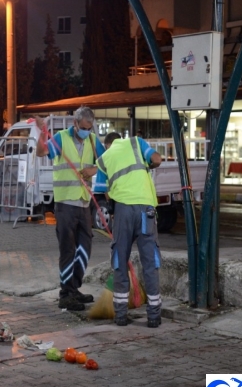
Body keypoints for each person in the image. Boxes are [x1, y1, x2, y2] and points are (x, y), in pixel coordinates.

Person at [35, 107, 105, 311]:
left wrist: (94, 169)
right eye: (84, 128)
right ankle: (65, 294)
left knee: (84, 249)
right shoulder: (61, 138)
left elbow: (105, 161)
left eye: (90, 128)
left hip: (84, 203)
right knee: (68, 250)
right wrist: (42, 132)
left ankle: (74, 288)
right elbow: (41, 152)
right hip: (65, 204)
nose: (87, 131)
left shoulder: (92, 140)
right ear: (75, 123)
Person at [96, 133, 163, 328]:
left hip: (123, 211)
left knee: (119, 260)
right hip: (145, 210)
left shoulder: (105, 158)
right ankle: (153, 316)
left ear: (108, 145)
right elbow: (157, 159)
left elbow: (103, 193)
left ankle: (120, 315)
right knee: (150, 262)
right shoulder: (137, 142)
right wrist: (148, 166)